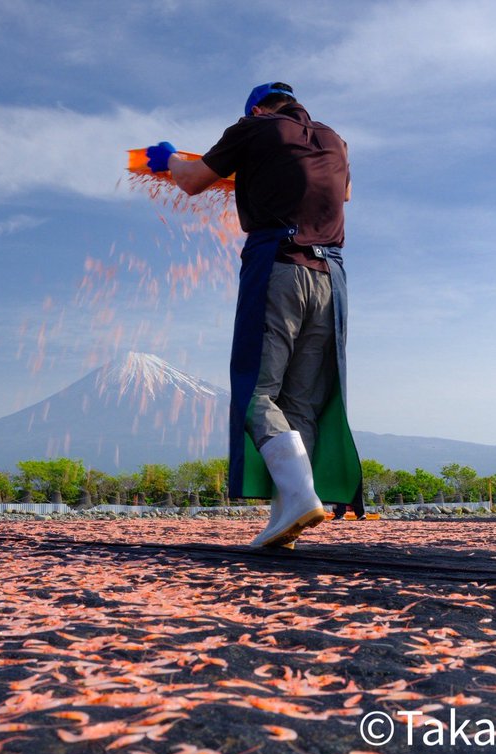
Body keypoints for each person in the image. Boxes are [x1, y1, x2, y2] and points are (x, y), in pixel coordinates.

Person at [144, 82, 363, 548]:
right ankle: (287, 519)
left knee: (256, 395)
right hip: (332, 278)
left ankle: (301, 495)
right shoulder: (335, 140)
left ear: (259, 108)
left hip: (278, 266)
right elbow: (343, 194)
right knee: (301, 401)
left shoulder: (255, 127)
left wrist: (168, 159)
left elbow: (192, 181)